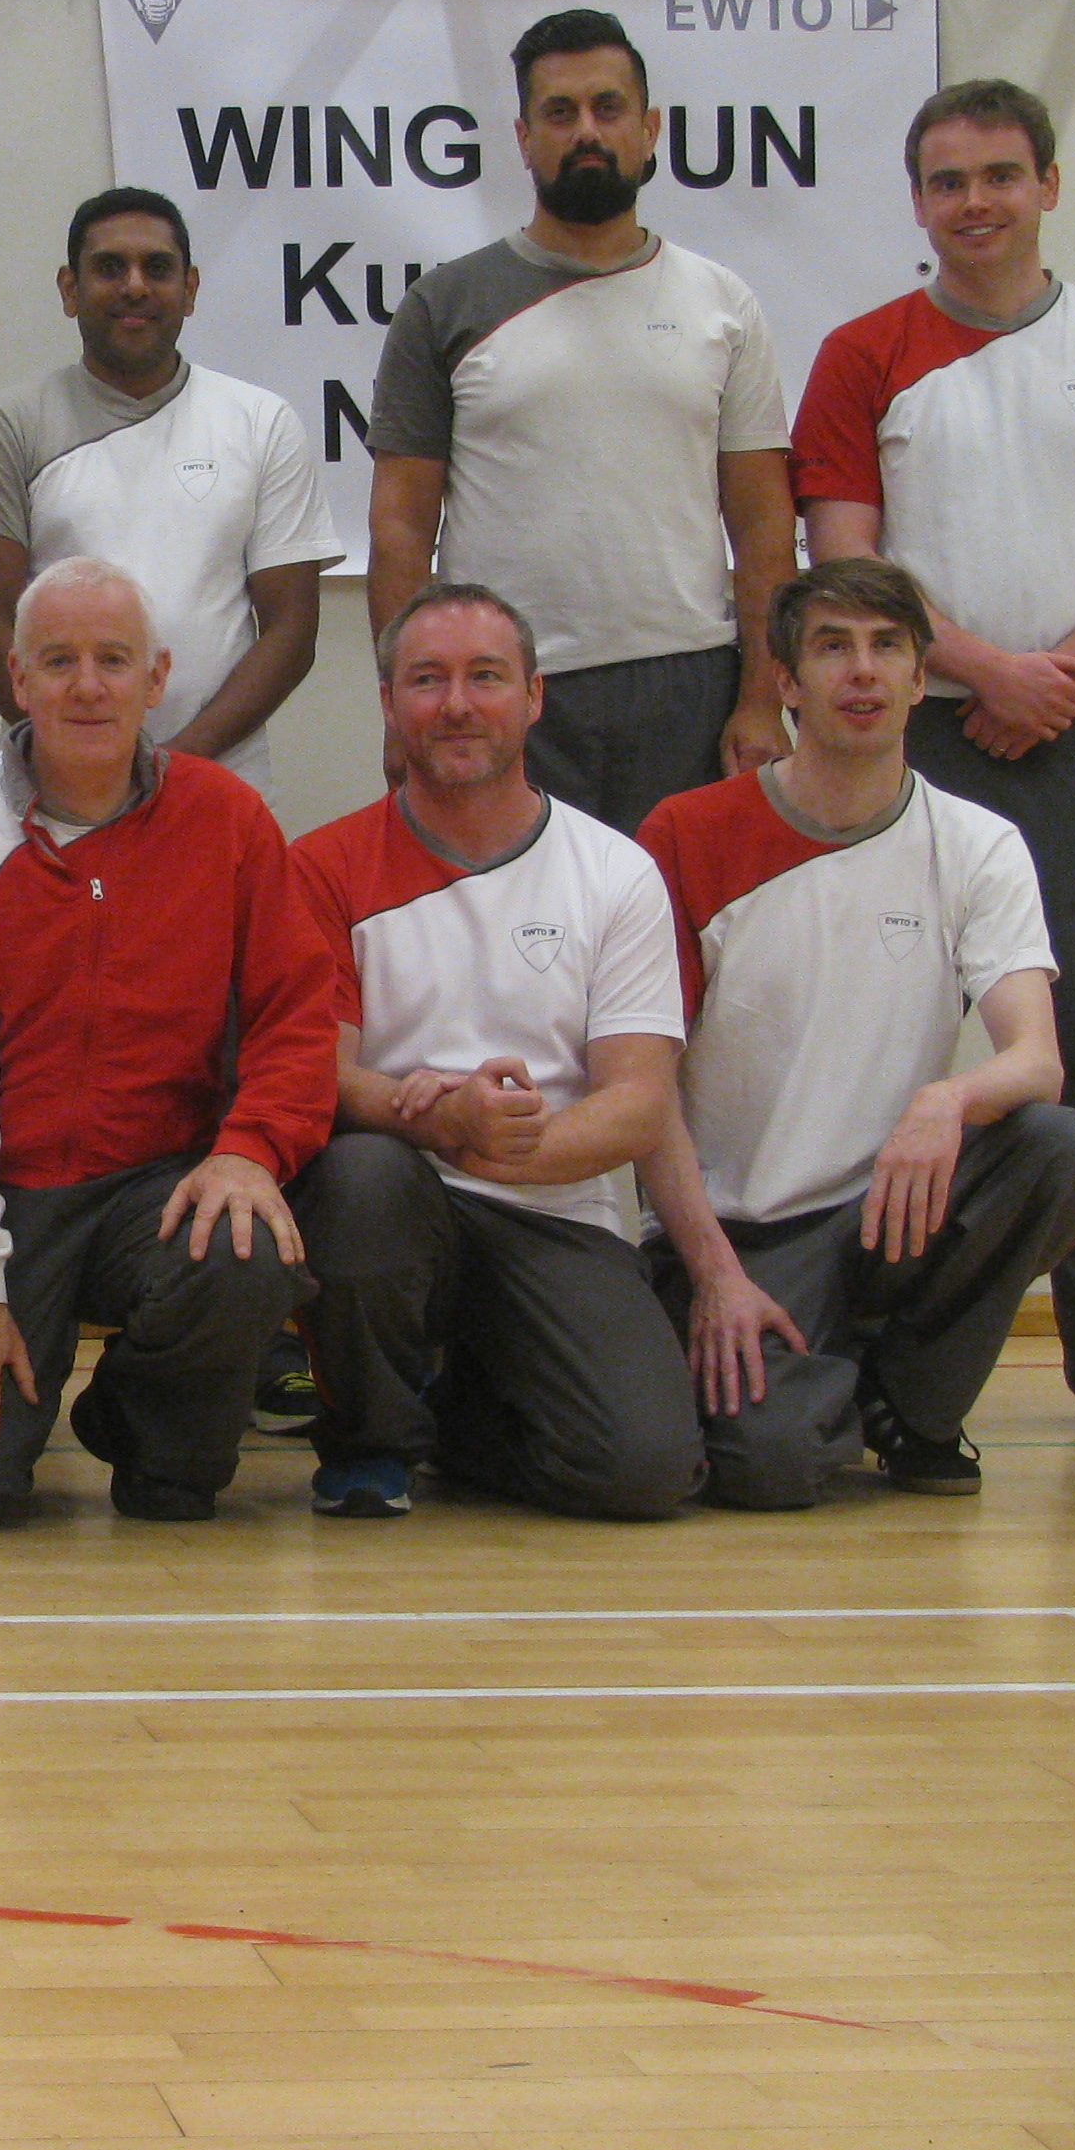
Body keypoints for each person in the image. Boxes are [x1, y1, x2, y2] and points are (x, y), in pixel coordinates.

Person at [794, 77, 1075, 1440]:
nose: (974, 202)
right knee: (877, 1042)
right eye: (946, 181)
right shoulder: (865, 354)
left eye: (998, 174)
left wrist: (1062, 678)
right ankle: (870, 1351)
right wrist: (980, 670)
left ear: (1049, 183)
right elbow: (846, 562)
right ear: (917, 201)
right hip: (911, 737)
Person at [635, 557, 1075, 1506]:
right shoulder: (687, 833)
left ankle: (916, 1408)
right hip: (743, 1234)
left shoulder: (978, 844)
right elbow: (644, 1086)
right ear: (787, 683)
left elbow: (1037, 1060)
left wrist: (948, 1098)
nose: (861, 672)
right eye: (832, 648)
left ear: (917, 677)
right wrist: (714, 1272)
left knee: (1063, 1150)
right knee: (765, 1469)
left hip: (899, 1213)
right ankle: (842, 1386)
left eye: (886, 648)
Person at [0, 558, 331, 1529]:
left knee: (242, 1244)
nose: (88, 686)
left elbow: (298, 1013)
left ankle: (141, 1430)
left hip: (152, 1193)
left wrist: (251, 1153)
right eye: (61, 660)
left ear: (156, 679)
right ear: (18, 678)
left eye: (113, 660)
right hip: (1, 1195)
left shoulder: (231, 820)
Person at [286, 581, 701, 1522]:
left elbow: (638, 1102)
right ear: (390, 704)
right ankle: (368, 1447)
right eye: (427, 681)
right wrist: (433, 1120)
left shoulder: (617, 873)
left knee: (643, 1472)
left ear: (534, 697)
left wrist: (499, 1144)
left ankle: (460, 1414)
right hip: (398, 1201)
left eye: (486, 678)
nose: (458, 705)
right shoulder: (322, 866)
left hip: (559, 1211)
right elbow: (319, 1075)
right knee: (359, 1182)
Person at [361, 8, 794, 830]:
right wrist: (402, 712)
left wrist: (762, 700)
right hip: (501, 694)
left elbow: (766, 522)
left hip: (688, 688)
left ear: (649, 127)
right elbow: (399, 527)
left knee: (676, 942)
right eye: (560, 113)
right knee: (508, 945)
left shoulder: (723, 304)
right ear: (524, 138)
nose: (586, 131)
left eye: (608, 108)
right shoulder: (443, 306)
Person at [0, 184, 336, 792]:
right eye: (108, 268)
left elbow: (290, 632)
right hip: (57, 792)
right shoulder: (5, 428)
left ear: (191, 289)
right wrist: (92, 761)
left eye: (157, 268)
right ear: (69, 291)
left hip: (219, 786)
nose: (134, 286)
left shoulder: (261, 422)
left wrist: (173, 768)